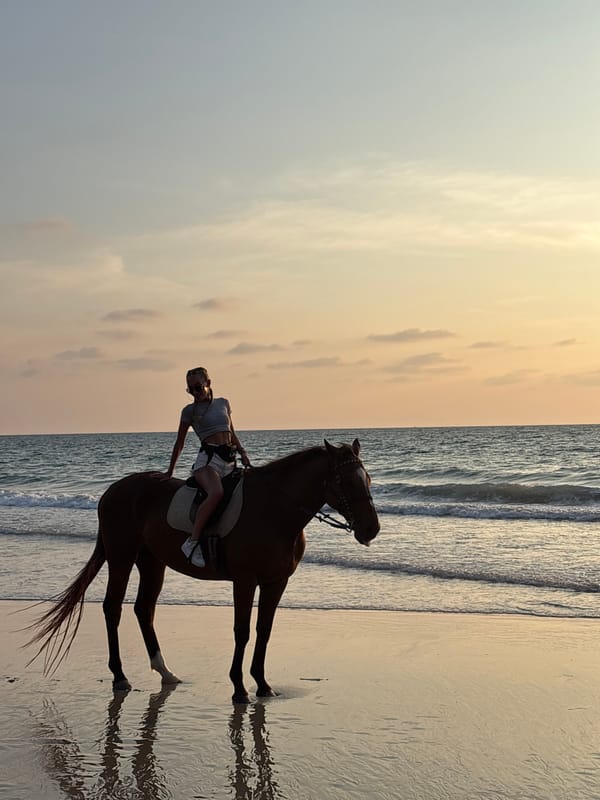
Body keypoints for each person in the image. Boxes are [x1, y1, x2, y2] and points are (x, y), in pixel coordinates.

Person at [162, 367, 251, 567]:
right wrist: (170, 470)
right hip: (207, 463)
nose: (195, 392)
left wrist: (243, 452)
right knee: (216, 493)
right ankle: (192, 542)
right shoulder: (189, 411)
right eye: (190, 389)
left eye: (198, 387)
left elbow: (231, 432)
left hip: (229, 461)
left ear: (208, 383)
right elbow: (180, 442)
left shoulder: (223, 403)